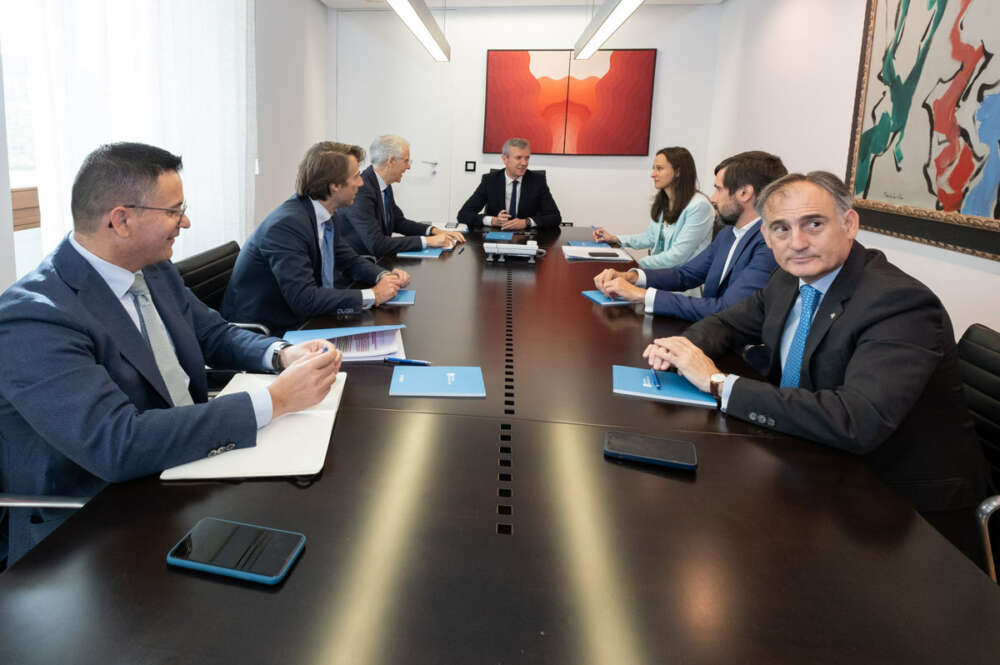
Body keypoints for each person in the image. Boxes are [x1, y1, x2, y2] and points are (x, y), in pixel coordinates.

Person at [0, 143, 344, 566]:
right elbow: (117, 444)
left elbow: (214, 334)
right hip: (97, 524)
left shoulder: (154, 268)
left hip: (187, 464)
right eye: (173, 210)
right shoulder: (34, 317)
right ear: (121, 220)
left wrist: (282, 355)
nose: (186, 221)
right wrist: (275, 400)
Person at [643, 171, 988, 560]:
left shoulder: (899, 303)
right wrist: (682, 347)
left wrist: (720, 384)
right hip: (816, 463)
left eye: (814, 224)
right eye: (781, 229)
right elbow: (727, 321)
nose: (798, 243)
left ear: (849, 223)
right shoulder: (789, 280)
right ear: (768, 238)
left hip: (904, 513)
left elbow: (856, 421)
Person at [221, 141, 410, 335]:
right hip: (268, 332)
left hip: (307, 318)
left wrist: (384, 276)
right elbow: (305, 299)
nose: (361, 183)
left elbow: (350, 260)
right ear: (335, 186)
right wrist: (373, 295)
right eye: (355, 177)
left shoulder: (325, 214)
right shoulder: (286, 226)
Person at [593, 150, 786, 321]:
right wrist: (632, 276)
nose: (712, 198)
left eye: (718, 189)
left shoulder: (770, 244)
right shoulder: (728, 233)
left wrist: (642, 295)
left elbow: (728, 310)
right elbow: (685, 274)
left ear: (744, 193)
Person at [338, 135, 465, 260]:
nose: (408, 167)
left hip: (377, 261)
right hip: (356, 271)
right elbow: (377, 244)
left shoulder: (383, 185)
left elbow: (398, 222)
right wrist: (428, 241)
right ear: (391, 161)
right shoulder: (362, 190)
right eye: (406, 161)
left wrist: (434, 231)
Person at [592, 147, 713, 269]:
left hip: (681, 283)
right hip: (659, 274)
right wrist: (615, 238)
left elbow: (678, 256)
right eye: (653, 168)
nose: (653, 174)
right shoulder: (665, 201)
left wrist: (635, 267)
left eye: (659, 169)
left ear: (678, 172)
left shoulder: (699, 206)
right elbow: (649, 237)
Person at [456, 137, 561, 230]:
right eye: (518, 158)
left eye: (527, 158)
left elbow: (555, 217)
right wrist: (493, 220)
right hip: (496, 236)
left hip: (527, 238)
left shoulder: (537, 181)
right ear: (505, 159)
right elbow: (463, 214)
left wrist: (526, 222)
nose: (524, 163)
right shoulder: (490, 181)